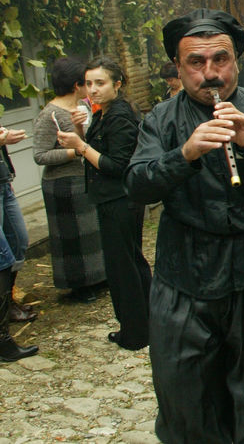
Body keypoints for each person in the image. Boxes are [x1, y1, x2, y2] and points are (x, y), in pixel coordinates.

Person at [125, 8, 244, 443]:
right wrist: (183, 155)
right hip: (184, 275)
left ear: (238, 60)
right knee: (185, 389)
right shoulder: (160, 120)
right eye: (196, 62)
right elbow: (136, 184)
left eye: (220, 60)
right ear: (179, 66)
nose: (210, 74)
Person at [56, 58, 151, 351]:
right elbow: (100, 151)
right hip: (114, 198)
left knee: (123, 267)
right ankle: (145, 323)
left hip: (119, 200)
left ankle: (135, 332)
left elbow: (115, 165)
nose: (92, 90)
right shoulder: (104, 113)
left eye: (100, 83)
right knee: (130, 262)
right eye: (88, 83)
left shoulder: (120, 116)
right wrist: (81, 134)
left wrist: (80, 146)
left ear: (117, 84)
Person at [32, 57, 105, 305]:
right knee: (71, 238)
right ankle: (77, 285)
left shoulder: (81, 108)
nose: (90, 87)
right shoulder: (49, 115)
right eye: (86, 82)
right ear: (76, 85)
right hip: (61, 184)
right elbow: (40, 155)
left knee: (89, 234)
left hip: (81, 179)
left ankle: (95, 277)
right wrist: (76, 151)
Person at [0, 122, 39, 362]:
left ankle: (8, 305)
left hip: (3, 181)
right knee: (2, 258)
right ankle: (2, 340)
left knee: (18, 243)